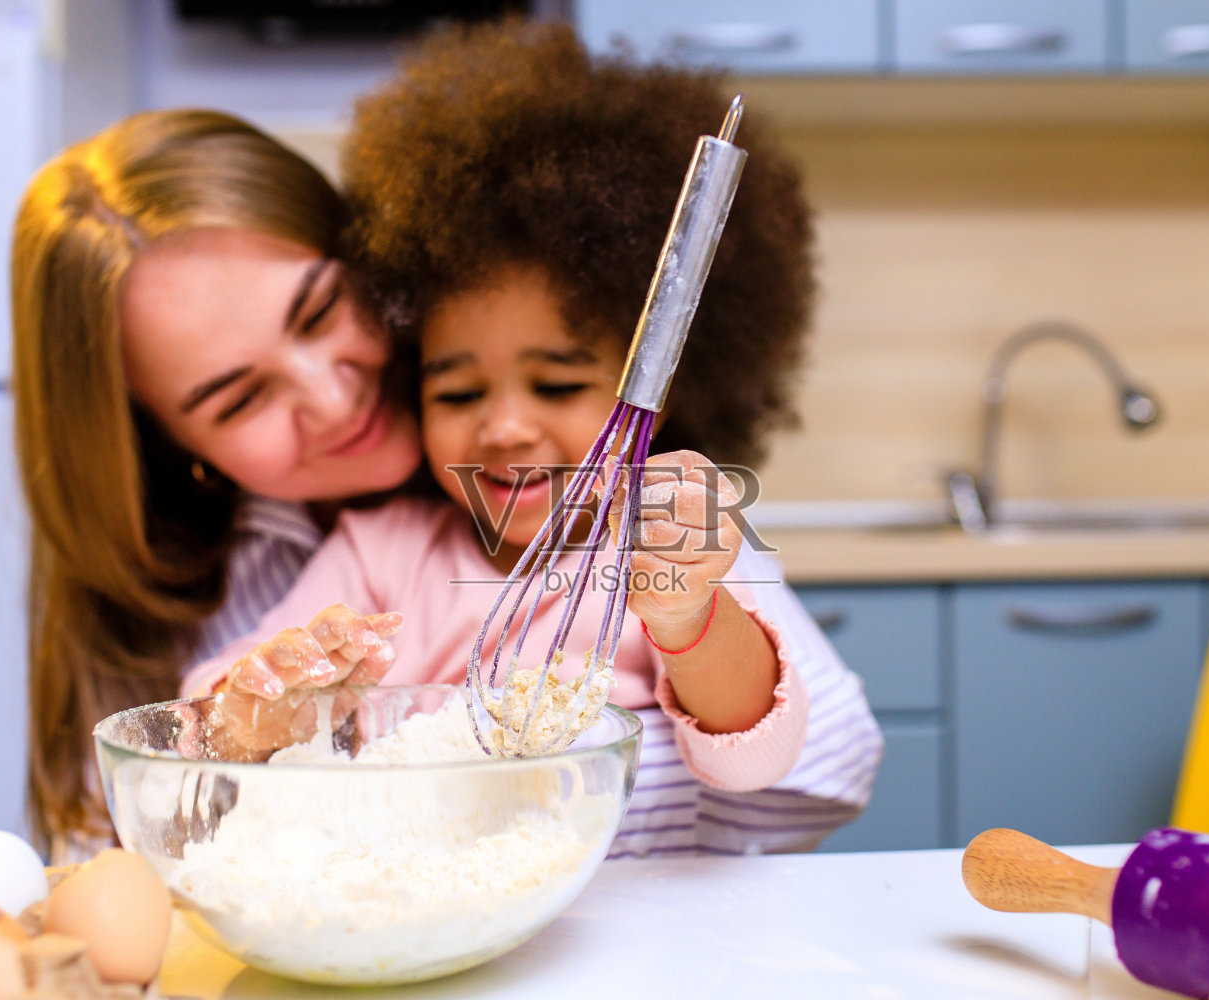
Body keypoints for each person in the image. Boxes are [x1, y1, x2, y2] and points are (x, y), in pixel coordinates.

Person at [185, 20, 883, 856]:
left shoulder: (677, 547)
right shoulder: (380, 552)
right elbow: (214, 723)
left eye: (556, 384)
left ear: (660, 394)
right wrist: (276, 689)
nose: (506, 426)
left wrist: (688, 618)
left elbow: (758, 754)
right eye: (458, 390)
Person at [10, 110, 419, 859]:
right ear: (168, 447)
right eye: (239, 401)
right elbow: (117, 873)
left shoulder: (562, 448)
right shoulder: (172, 614)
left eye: (323, 309)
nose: (332, 399)